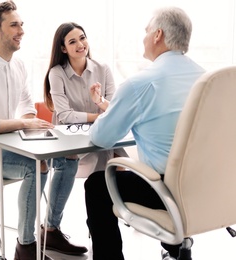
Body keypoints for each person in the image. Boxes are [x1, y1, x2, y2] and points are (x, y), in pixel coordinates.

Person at [0, 1, 87, 259]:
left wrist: (32, 133)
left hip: (6, 144)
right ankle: (25, 247)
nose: (21, 30)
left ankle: (51, 230)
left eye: (21, 24)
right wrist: (23, 124)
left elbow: (27, 107)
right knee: (36, 167)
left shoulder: (18, 65)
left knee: (69, 157)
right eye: (14, 25)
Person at [84, 6, 205, 260]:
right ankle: (176, 250)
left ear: (158, 35)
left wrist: (104, 115)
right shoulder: (207, 79)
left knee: (97, 185)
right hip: (206, 185)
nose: (144, 36)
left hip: (166, 190)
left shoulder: (141, 83)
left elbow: (101, 138)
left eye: (147, 30)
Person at [44, 22, 128, 178]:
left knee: (120, 159)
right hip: (68, 141)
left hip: (99, 135)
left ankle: (112, 201)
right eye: (72, 42)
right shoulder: (57, 73)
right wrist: (98, 117)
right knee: (101, 160)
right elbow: (65, 116)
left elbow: (114, 110)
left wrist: (99, 101)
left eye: (82, 38)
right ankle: (100, 196)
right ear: (63, 49)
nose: (80, 44)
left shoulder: (103, 68)